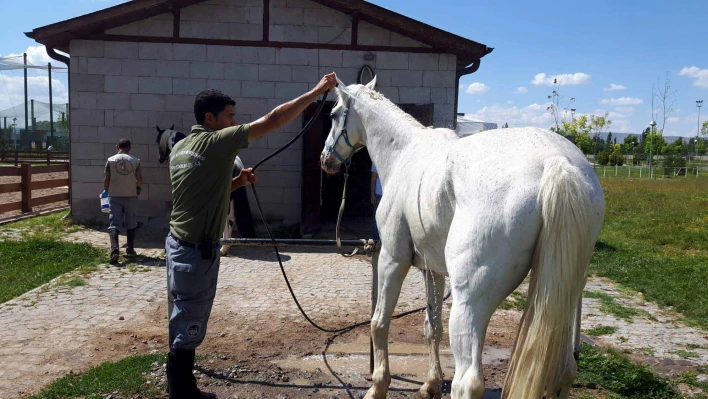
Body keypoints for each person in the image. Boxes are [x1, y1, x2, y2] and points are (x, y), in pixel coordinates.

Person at [165, 73, 338, 399]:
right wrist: (317, 91)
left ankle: (180, 385)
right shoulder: (217, 141)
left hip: (178, 245)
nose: (234, 121)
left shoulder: (181, 148)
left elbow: (199, 195)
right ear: (210, 118)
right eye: (229, 116)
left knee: (183, 310)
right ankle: (181, 392)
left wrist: (237, 183)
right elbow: (273, 119)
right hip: (195, 250)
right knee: (192, 315)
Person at [103, 138, 143, 265]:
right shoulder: (135, 161)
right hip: (130, 195)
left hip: (114, 195)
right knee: (131, 222)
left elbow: (106, 179)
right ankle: (130, 249)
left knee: (114, 223)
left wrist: (107, 191)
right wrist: (137, 188)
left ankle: (115, 251)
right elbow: (140, 180)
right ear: (129, 148)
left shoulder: (110, 160)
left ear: (117, 147)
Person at [370, 163, 383, 241]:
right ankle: (375, 240)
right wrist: (372, 194)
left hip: (391, 194)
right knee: (377, 217)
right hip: (379, 194)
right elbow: (373, 179)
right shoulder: (376, 161)